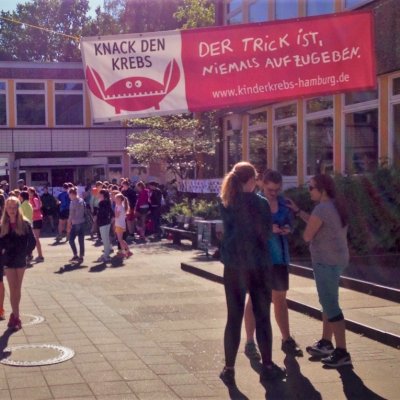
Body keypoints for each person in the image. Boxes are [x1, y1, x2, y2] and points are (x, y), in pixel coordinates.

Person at [219, 161, 286, 387]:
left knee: (233, 317)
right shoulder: (261, 203)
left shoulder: (227, 201)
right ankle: (267, 366)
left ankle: (229, 369)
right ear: (251, 180)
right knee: (262, 316)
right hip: (258, 265)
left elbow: (226, 232)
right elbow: (266, 233)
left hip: (234, 266)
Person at [287, 174, 351, 368]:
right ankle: (326, 343)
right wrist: (299, 212)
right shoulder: (335, 205)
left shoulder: (321, 209)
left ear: (321, 190)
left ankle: (342, 352)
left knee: (331, 305)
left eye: (311, 188)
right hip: (337, 260)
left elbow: (308, 236)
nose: (309, 191)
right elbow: (318, 222)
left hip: (325, 262)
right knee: (327, 301)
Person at [244, 170, 302, 359]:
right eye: (270, 189)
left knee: (280, 299)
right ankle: (250, 341)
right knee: (255, 300)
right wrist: (268, 229)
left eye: (277, 190)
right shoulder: (255, 203)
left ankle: (286, 339)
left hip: (280, 259)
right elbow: (247, 229)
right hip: (259, 260)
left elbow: (291, 225)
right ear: (262, 184)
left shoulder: (284, 203)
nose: (274, 193)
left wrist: (287, 229)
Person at [0, 196, 36, 330]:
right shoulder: (3, 224)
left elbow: (32, 241)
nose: (12, 210)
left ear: (18, 208)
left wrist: (25, 252)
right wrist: (4, 252)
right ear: (6, 209)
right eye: (9, 207)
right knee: (12, 288)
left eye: (14, 207)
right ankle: (16, 317)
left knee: (17, 289)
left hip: (20, 260)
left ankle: (14, 316)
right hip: (8, 260)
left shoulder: (25, 223)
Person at [67, 187, 86, 263]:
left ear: (72, 194)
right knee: (81, 240)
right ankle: (81, 256)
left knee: (71, 240)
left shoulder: (73, 202)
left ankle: (75, 255)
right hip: (82, 222)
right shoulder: (81, 200)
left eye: (69, 194)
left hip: (75, 223)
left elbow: (71, 215)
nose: (69, 196)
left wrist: (68, 225)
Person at [97, 189, 114, 263]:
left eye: (100, 194)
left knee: (105, 239)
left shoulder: (102, 203)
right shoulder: (107, 202)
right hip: (106, 222)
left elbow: (101, 213)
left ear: (103, 195)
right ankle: (106, 254)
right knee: (106, 239)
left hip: (103, 222)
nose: (98, 195)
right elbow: (112, 213)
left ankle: (106, 255)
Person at [28, 187, 44, 262]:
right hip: (33, 220)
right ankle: (34, 255)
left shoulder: (35, 199)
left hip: (37, 219)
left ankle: (40, 255)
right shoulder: (29, 199)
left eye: (29, 192)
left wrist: (30, 208)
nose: (28, 193)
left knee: (36, 238)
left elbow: (37, 207)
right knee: (34, 238)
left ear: (33, 192)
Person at [114, 193, 132, 258]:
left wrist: (115, 210)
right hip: (120, 224)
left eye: (116, 199)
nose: (115, 200)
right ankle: (126, 252)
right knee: (120, 239)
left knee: (120, 240)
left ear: (120, 199)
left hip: (120, 225)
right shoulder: (120, 206)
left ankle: (126, 252)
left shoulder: (119, 207)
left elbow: (116, 216)